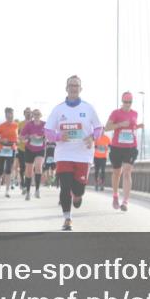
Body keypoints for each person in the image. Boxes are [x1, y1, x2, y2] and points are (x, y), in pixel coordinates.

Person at [44, 75, 102, 231]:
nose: (73, 88)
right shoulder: (58, 109)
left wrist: (93, 138)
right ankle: (67, 218)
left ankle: (77, 195)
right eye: (71, 85)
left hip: (83, 155)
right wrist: (57, 136)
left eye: (76, 85)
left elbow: (98, 128)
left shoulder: (88, 108)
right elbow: (48, 131)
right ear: (66, 88)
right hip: (64, 154)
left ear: (80, 89)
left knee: (78, 190)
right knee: (65, 187)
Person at [105, 92, 144, 212]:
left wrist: (138, 126)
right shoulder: (115, 113)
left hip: (131, 147)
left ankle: (125, 201)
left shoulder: (135, 113)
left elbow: (131, 127)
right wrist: (120, 124)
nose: (127, 104)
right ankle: (115, 196)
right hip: (117, 147)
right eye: (125, 102)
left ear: (132, 102)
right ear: (122, 101)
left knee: (127, 172)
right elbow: (107, 127)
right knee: (117, 173)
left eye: (129, 102)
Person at [0, 107, 20, 197]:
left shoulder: (16, 125)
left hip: (11, 149)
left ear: (13, 115)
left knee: (8, 169)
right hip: (1, 149)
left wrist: (17, 141)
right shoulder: (1, 126)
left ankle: (7, 191)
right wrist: (1, 139)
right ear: (5, 116)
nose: (10, 116)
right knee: (0, 169)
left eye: (11, 114)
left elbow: (18, 137)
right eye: (8, 115)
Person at [20, 109, 46, 200]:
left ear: (41, 115)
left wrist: (44, 137)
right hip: (29, 149)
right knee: (29, 171)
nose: (36, 116)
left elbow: (50, 136)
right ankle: (28, 192)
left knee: (38, 166)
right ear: (32, 115)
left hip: (40, 149)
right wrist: (30, 136)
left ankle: (37, 190)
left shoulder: (44, 124)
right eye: (34, 114)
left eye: (38, 114)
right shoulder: (28, 125)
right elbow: (22, 137)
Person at [16, 107, 31, 192]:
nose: (28, 114)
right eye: (26, 112)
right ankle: (22, 182)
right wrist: (19, 139)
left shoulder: (34, 123)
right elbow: (17, 134)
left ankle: (26, 184)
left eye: (29, 112)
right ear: (24, 114)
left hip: (31, 148)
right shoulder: (20, 124)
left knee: (29, 167)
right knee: (22, 167)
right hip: (21, 148)